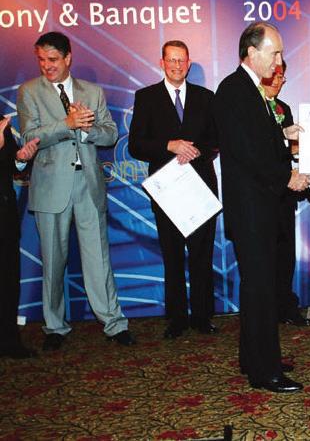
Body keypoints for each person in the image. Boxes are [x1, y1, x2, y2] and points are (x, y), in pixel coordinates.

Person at [17, 31, 134, 350]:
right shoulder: (29, 92)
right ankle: (55, 327)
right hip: (50, 186)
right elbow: (28, 136)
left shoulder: (92, 92)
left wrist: (87, 129)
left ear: (68, 58)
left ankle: (113, 322)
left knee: (99, 258)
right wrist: (67, 124)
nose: (47, 66)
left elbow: (110, 135)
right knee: (53, 261)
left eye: (53, 59)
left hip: (88, 185)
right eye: (41, 60)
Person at [213, 22, 310, 393]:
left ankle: (254, 358)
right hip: (251, 211)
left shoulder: (249, 89)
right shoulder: (235, 90)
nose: (280, 61)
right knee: (260, 290)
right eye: (275, 53)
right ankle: (265, 372)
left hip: (257, 209)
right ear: (252, 53)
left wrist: (283, 133)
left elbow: (256, 138)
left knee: (258, 288)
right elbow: (247, 152)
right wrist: (288, 177)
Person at [129, 40, 219, 338]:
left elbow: (217, 139)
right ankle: (177, 319)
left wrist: (194, 150)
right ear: (162, 63)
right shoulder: (146, 97)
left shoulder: (206, 97)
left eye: (182, 60)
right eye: (172, 60)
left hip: (200, 187)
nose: (177, 66)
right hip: (166, 189)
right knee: (172, 255)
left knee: (202, 255)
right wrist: (170, 145)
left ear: (189, 63)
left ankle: (203, 317)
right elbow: (136, 144)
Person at [261, 61, 310, 327]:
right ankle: (266, 309)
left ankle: (286, 306)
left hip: (284, 192)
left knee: (285, 254)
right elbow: (258, 149)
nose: (277, 81)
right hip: (260, 194)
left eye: (281, 77)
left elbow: (288, 150)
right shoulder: (252, 107)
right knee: (264, 256)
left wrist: (305, 153)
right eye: (273, 75)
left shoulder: (284, 108)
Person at [0, 116, 39, 358]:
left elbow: (12, 165)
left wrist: (21, 159)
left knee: (7, 282)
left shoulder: (1, 123)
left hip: (5, 216)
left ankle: (9, 341)